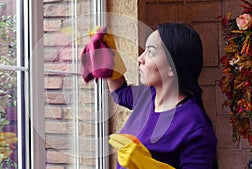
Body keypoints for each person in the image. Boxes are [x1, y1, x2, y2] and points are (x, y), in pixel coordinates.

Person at [81, 22, 217, 169]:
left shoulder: (195, 125)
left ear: (172, 68)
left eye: (150, 52)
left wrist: (147, 164)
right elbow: (119, 92)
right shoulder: (147, 96)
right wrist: (109, 55)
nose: (140, 58)